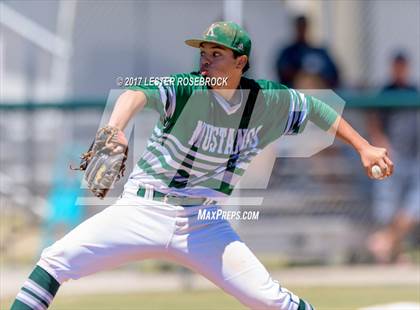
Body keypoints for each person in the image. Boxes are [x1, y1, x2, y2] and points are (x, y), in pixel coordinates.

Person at [11, 21, 393, 310]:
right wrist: (114, 128)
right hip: (143, 208)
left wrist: (363, 147)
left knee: (273, 301)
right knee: (54, 261)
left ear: (241, 62)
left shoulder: (267, 100)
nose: (206, 61)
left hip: (204, 223)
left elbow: (317, 108)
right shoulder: (187, 87)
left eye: (217, 54)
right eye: (204, 53)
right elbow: (135, 93)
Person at [366, 52, 419, 264]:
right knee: (389, 210)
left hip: (414, 159)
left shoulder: (413, 91)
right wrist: (381, 143)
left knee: (412, 209)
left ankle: (383, 242)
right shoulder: (386, 92)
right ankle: (394, 252)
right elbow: (373, 122)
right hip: (392, 157)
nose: (400, 70)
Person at [275, 15, 340, 89]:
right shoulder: (288, 53)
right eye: (300, 27)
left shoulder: (320, 52)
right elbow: (283, 72)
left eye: (304, 26)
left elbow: (334, 75)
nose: (302, 30)